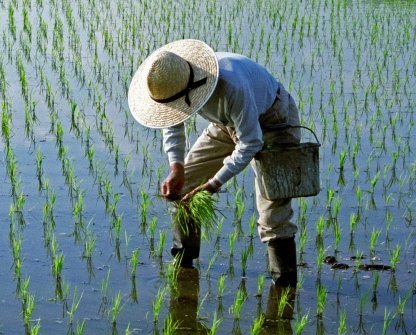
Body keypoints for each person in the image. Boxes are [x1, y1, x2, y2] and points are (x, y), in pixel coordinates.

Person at [128, 39, 301, 286]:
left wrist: (213, 185)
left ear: (191, 90)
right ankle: (183, 264)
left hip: (274, 121)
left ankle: (284, 286)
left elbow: (251, 143)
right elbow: (173, 123)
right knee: (185, 186)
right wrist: (176, 167)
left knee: (273, 211)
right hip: (226, 124)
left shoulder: (231, 85)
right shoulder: (173, 84)